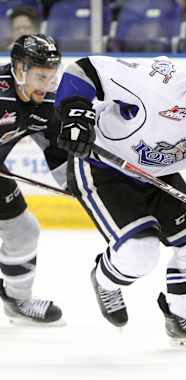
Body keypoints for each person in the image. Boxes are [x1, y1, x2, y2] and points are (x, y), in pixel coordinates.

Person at [54, 40, 186, 347]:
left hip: (157, 176)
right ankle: (105, 280)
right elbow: (85, 70)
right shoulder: (158, 83)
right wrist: (76, 114)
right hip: (103, 167)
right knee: (138, 255)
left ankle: (181, 318)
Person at [0, 34, 66, 325]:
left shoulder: (47, 102)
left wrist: (80, 188)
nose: (47, 84)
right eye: (41, 76)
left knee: (24, 231)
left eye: (51, 76)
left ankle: (18, 301)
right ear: (19, 69)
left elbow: (57, 150)